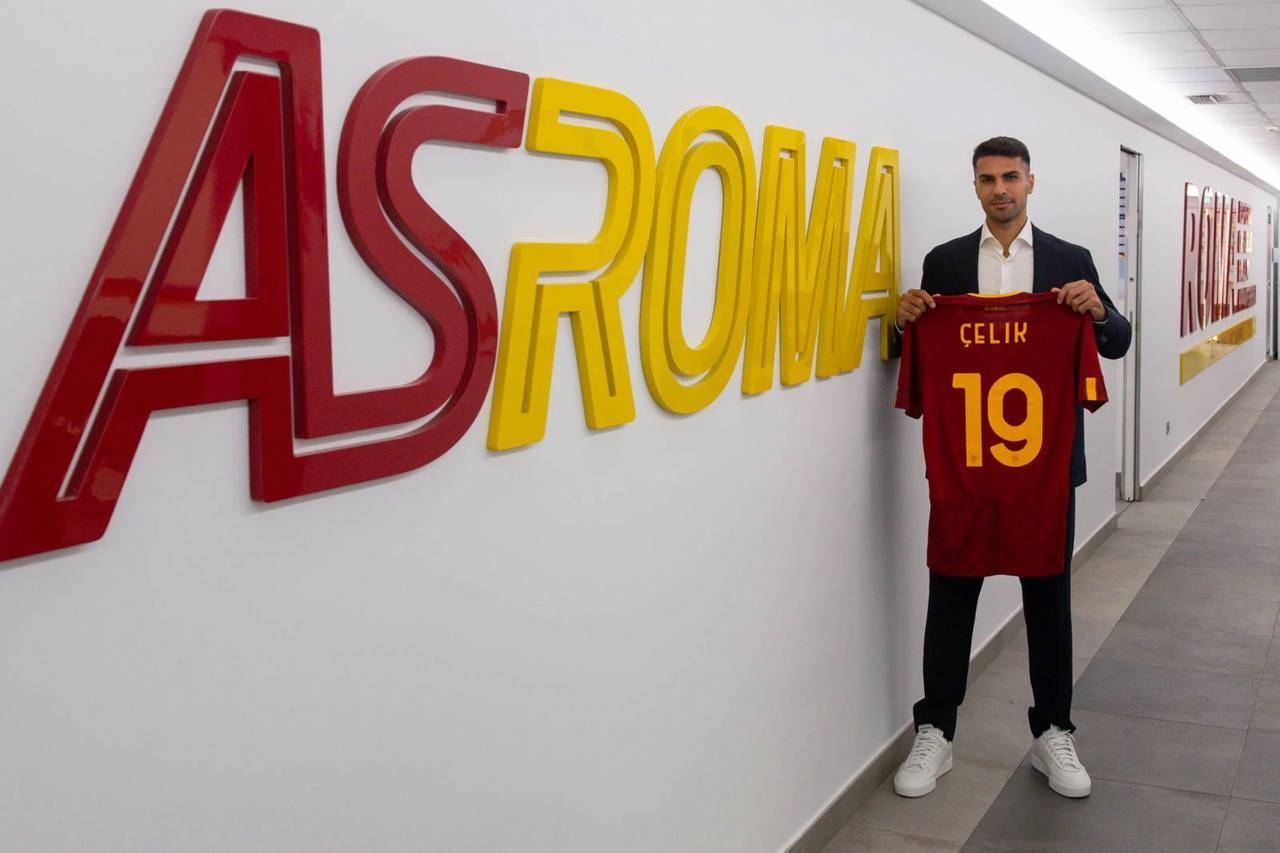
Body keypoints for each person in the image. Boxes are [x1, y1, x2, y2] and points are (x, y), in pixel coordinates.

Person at [891, 136, 1132, 800]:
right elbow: (914, 347)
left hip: (1044, 468)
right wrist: (903, 324)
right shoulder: (944, 262)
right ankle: (936, 730)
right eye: (987, 178)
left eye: (1010, 177)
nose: (1000, 188)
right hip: (968, 465)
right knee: (952, 593)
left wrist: (1098, 309)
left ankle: (1053, 730)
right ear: (975, 186)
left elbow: (1117, 339)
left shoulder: (1069, 259)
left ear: (1030, 182)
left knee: (1048, 599)